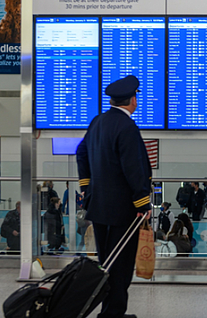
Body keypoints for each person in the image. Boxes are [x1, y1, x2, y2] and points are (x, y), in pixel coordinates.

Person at [77, 75, 152, 318]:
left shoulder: (98, 121)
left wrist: (87, 188)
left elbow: (81, 153)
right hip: (123, 210)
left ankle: (110, 311)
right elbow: (134, 167)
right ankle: (113, 314)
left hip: (99, 208)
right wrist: (143, 202)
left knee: (106, 261)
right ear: (133, 99)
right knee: (120, 265)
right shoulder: (127, 127)